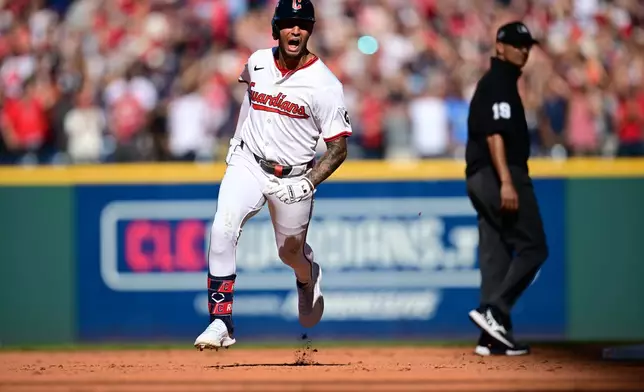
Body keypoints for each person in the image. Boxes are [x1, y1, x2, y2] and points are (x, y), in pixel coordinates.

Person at [194, 0, 353, 350]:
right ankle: (221, 320)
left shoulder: (325, 84)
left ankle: (307, 275)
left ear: (310, 30)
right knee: (222, 226)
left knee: (289, 253)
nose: (295, 30)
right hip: (249, 162)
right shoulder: (258, 62)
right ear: (276, 28)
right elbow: (248, 99)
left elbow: (339, 148)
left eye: (303, 24)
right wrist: (237, 141)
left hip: (293, 176)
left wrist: (308, 181)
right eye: (288, 23)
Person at [464, 21, 549, 356]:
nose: (523, 50)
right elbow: (494, 134)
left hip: (480, 176)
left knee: (496, 252)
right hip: (499, 174)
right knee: (534, 247)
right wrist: (507, 182)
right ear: (499, 46)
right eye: (516, 44)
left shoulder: (501, 82)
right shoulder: (498, 81)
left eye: (527, 44)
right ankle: (495, 311)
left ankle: (492, 337)